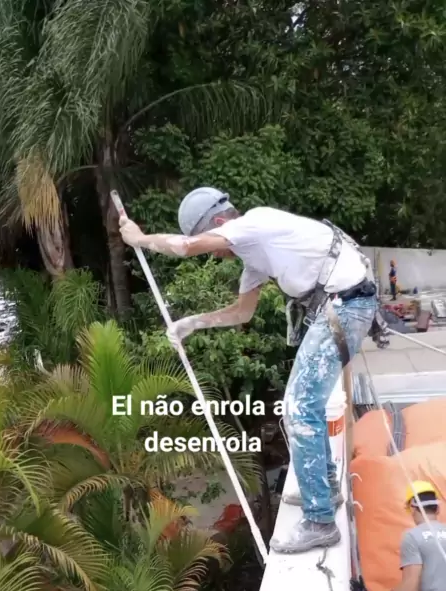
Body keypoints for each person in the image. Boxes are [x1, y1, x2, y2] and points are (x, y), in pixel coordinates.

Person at [118, 188, 377, 553]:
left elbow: (188, 247)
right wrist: (191, 323)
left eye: (211, 240)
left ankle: (320, 521)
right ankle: (326, 488)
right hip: (342, 306)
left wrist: (141, 239)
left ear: (219, 223)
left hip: (347, 304)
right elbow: (243, 312)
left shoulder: (254, 223)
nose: (215, 254)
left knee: (300, 407)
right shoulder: (255, 257)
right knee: (307, 404)